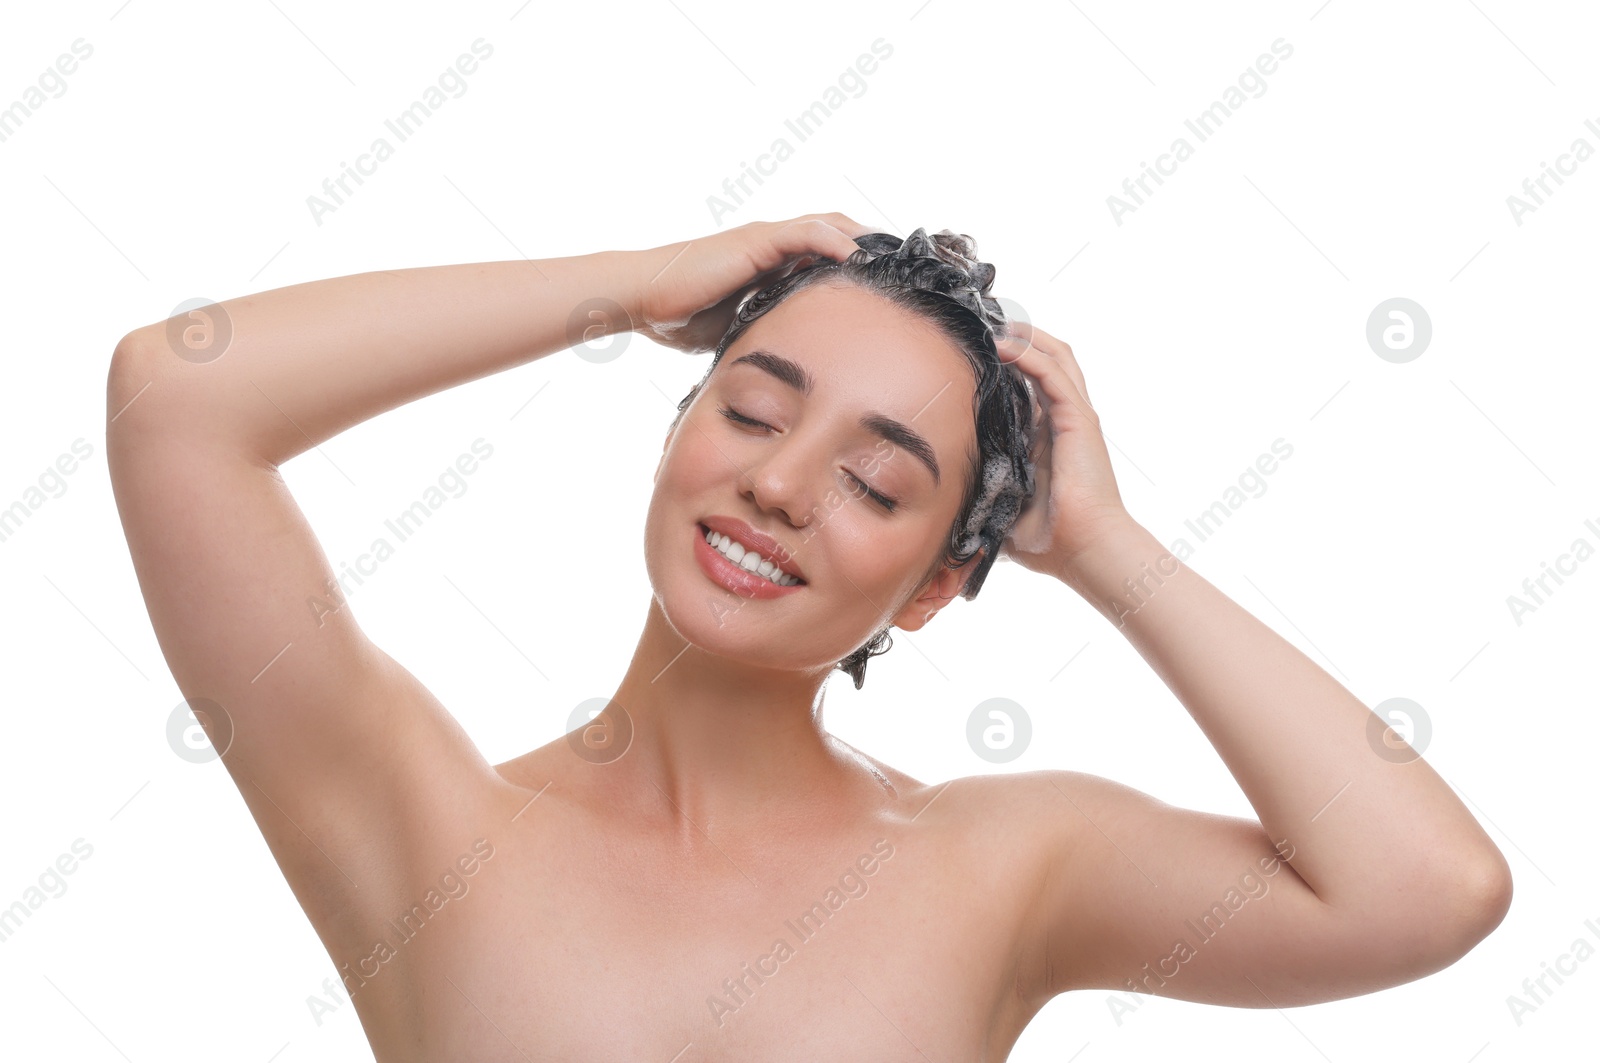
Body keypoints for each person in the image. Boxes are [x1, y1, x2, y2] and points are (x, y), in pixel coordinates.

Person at [106, 212, 1512, 1061]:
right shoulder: (419, 820)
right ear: (678, 428)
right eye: (756, 410)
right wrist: (633, 283)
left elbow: (1428, 888)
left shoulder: (1004, 869)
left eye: (878, 481)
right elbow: (177, 400)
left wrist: (1102, 549)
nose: (779, 484)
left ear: (933, 587)